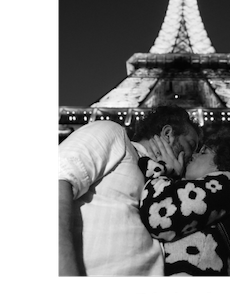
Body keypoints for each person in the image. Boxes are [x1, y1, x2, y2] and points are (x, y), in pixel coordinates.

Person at [56, 105, 201, 277]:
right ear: (168, 134)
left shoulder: (161, 185)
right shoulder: (114, 133)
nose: (193, 156)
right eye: (191, 145)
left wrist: (172, 178)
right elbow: (60, 178)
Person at [138, 129, 230, 276]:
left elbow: (158, 218)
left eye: (203, 152)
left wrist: (160, 169)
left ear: (223, 163)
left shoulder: (229, 183)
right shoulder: (222, 197)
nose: (193, 155)